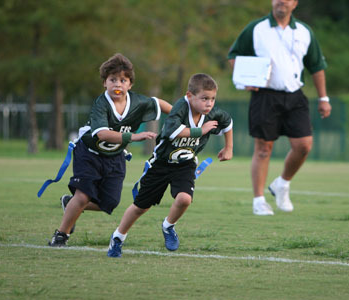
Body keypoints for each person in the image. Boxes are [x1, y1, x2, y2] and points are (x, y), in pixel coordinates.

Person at [48, 53, 172, 246]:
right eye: (112, 79)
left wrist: (178, 120)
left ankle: (69, 203)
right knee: (82, 196)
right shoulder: (101, 104)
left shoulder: (138, 102)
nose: (118, 84)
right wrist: (134, 136)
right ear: (104, 83)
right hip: (89, 153)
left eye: (123, 80)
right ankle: (61, 235)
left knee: (109, 203)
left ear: (130, 84)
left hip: (115, 156)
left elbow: (158, 103)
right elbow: (103, 134)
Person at [107, 73, 233, 257]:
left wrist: (228, 147)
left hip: (185, 164)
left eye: (212, 99)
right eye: (204, 98)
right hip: (161, 164)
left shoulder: (211, 114)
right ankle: (118, 237)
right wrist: (200, 130)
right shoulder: (181, 108)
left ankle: (168, 226)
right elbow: (173, 131)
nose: (209, 104)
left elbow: (228, 122)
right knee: (141, 206)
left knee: (184, 199)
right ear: (189, 96)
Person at [227, 0, 331, 216]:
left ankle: (282, 184)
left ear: (295, 3)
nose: (281, 1)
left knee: (304, 145)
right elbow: (233, 55)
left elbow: (317, 66)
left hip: (295, 95)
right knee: (263, 149)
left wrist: (324, 98)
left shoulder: (304, 31)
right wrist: (244, 78)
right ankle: (258, 200)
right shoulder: (256, 28)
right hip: (264, 96)